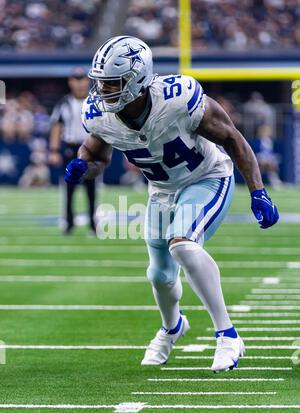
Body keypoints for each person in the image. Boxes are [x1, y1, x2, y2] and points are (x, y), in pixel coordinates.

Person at [64, 36, 279, 372]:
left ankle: (228, 335)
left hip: (206, 177)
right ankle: (172, 327)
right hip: (161, 189)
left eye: (111, 83)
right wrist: (83, 165)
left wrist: (258, 191)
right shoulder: (99, 115)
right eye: (100, 83)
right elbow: (96, 156)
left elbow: (232, 137)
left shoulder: (178, 98)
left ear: (136, 79)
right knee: (160, 275)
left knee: (183, 245)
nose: (102, 91)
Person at [49, 67, 97, 234]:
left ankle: (93, 223)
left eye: (82, 79)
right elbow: (56, 126)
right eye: (75, 80)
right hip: (70, 148)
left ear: (88, 81)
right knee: (69, 188)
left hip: (90, 148)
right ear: (70, 82)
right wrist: (54, 150)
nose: (79, 84)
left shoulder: (95, 101)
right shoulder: (64, 103)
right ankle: (69, 222)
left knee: (92, 188)